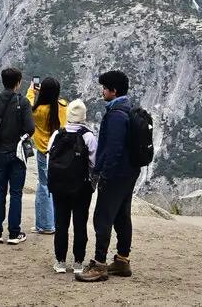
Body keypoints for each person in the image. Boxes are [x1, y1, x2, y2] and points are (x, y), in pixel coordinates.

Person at [76, 71, 139, 282]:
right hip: (129, 173)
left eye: (104, 88)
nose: (102, 91)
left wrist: (103, 175)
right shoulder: (128, 110)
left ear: (113, 91)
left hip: (115, 175)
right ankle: (122, 260)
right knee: (122, 216)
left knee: (102, 217)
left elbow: (112, 150)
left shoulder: (115, 116)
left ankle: (100, 264)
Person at [0, 67, 35, 245]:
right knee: (16, 193)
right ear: (18, 82)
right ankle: (14, 233)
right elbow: (30, 129)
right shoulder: (23, 103)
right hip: (18, 155)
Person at [47, 99, 97, 275]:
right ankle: (78, 262)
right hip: (81, 188)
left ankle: (60, 262)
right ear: (83, 116)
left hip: (59, 187)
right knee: (80, 224)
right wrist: (91, 183)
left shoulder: (57, 135)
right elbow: (94, 163)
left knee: (61, 223)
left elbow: (49, 160)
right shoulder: (88, 136)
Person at [26, 77, 67, 235]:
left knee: (44, 186)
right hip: (60, 152)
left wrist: (32, 91)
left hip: (44, 152)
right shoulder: (63, 106)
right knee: (57, 187)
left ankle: (46, 225)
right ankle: (56, 223)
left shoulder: (38, 111)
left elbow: (27, 106)